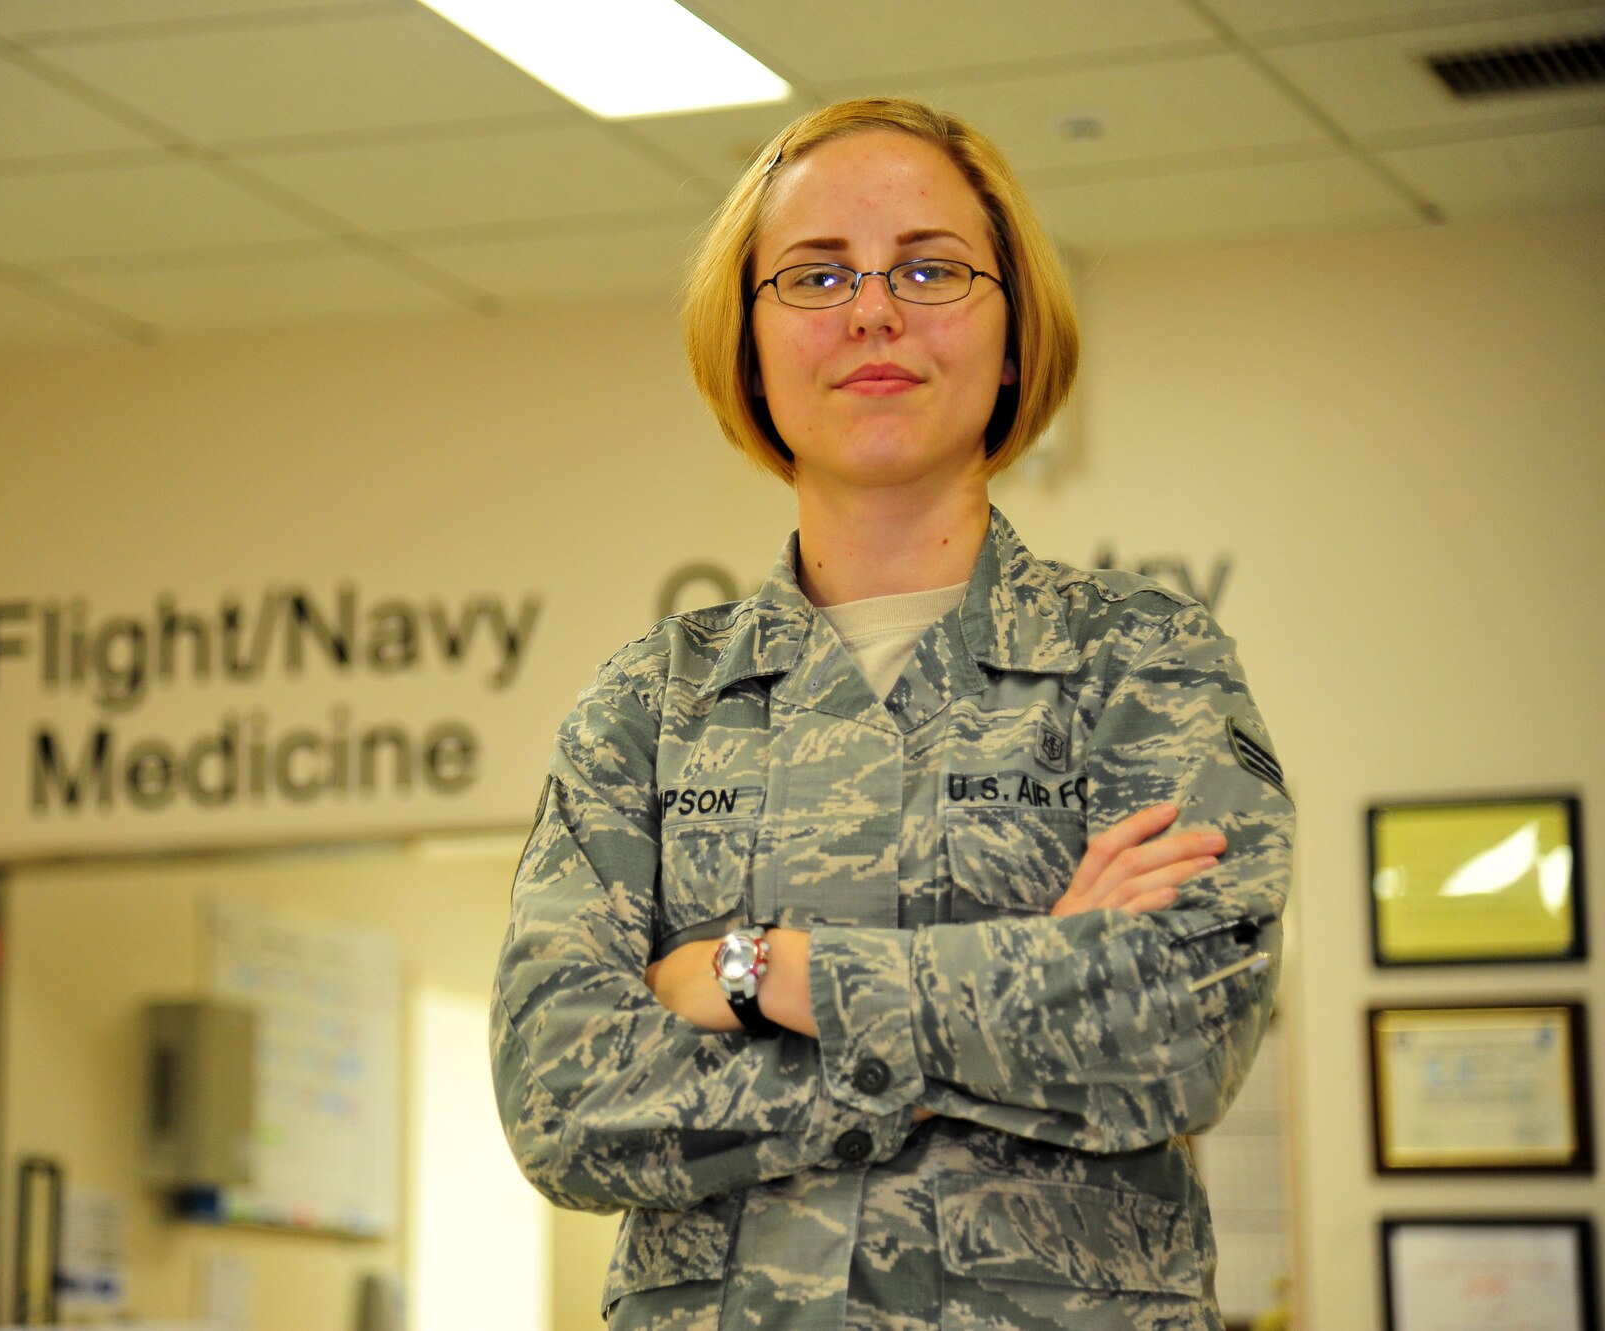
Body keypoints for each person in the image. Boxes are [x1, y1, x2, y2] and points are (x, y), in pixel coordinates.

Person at [490, 97, 1292, 1331]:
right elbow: (560, 1096)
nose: (872, 311)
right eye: (814, 275)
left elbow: (1175, 1024)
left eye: (929, 268)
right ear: (746, 343)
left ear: (1013, 333)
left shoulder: (1141, 662)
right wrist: (1008, 996)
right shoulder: (647, 706)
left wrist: (755, 971)